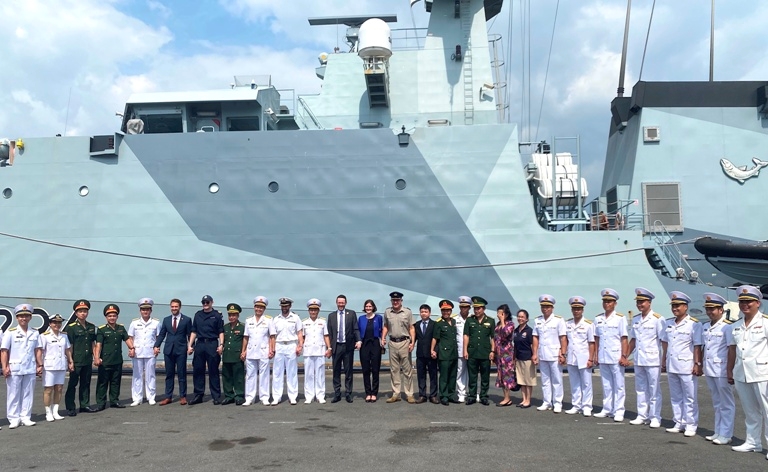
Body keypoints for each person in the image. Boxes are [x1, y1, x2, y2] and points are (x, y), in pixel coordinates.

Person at [727, 285, 768, 456]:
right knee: (750, 410)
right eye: (742, 302)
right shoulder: (735, 326)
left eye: (749, 302)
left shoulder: (765, 322)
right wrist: (729, 371)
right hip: (741, 373)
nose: (745, 305)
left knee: (767, 410)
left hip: (762, 372)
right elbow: (732, 350)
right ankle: (753, 442)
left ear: (758, 303)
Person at [661, 291, 702, 437]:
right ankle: (679, 422)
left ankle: (691, 424)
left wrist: (697, 363)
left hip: (686, 365)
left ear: (685, 307)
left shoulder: (694, 324)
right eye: (673, 305)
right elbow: (665, 343)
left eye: (678, 305)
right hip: (672, 364)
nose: (675, 308)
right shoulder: (668, 323)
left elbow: (697, 345)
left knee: (690, 397)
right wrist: (663, 359)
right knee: (676, 396)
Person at [627, 287, 665, 428]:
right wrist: (625, 355)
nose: (640, 305)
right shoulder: (636, 319)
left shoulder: (658, 319)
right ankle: (642, 415)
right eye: (638, 302)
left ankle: (655, 417)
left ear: (649, 302)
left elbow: (663, 340)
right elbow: (633, 340)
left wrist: (664, 358)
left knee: (654, 389)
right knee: (641, 388)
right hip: (639, 359)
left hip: (653, 359)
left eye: (642, 302)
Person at [1, 304, 42, 428]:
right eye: (21, 316)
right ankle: (14, 418)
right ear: (17, 318)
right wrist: (4, 366)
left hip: (30, 367)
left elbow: (38, 349)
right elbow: (4, 350)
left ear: (30, 317)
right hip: (14, 367)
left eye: (26, 316)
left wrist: (40, 365)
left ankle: (25, 416)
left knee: (28, 393)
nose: (24, 318)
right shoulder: (10, 332)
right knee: (13, 394)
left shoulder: (35, 332)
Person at [701, 292, 735, 445]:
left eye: (713, 309)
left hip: (721, 369)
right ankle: (718, 431)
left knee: (726, 403)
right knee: (716, 402)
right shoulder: (706, 326)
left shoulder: (727, 327)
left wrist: (730, 370)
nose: (709, 312)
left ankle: (726, 434)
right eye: (708, 309)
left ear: (721, 310)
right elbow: (705, 348)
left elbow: (730, 350)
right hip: (710, 369)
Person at [593, 288, 629, 422]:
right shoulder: (598, 318)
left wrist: (624, 356)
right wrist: (595, 355)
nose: (607, 304)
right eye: (605, 301)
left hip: (615, 356)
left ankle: (619, 410)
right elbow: (597, 338)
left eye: (609, 301)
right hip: (603, 355)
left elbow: (624, 338)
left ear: (615, 303)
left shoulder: (620, 318)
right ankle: (607, 408)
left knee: (619, 385)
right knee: (606, 384)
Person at [532, 295, 567, 413]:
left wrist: (563, 353)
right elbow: (536, 338)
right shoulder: (538, 320)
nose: (545, 309)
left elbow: (563, 338)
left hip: (554, 354)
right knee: (545, 380)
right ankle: (546, 402)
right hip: (543, 354)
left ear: (552, 307)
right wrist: (534, 353)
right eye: (543, 306)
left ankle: (557, 403)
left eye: (547, 306)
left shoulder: (558, 320)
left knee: (557, 380)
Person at [94, 304, 132, 411]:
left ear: (117, 317)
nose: (112, 318)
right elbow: (98, 345)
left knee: (116, 381)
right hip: (105, 361)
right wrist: (96, 357)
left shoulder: (121, 328)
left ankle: (114, 400)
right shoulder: (102, 329)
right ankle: (101, 403)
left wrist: (132, 348)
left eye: (114, 316)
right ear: (106, 317)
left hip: (117, 360)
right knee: (103, 382)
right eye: (110, 316)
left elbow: (127, 340)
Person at [154, 298, 192, 405]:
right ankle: (168, 396)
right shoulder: (166, 320)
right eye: (172, 306)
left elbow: (190, 335)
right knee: (169, 375)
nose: (174, 308)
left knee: (182, 374)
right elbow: (162, 334)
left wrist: (191, 346)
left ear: (180, 307)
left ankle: (183, 396)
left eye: (176, 306)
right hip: (169, 350)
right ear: (170, 307)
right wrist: (156, 345)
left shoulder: (187, 320)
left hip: (181, 350)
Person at [188, 295, 224, 405]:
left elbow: (220, 331)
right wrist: (190, 345)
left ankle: (216, 396)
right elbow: (194, 331)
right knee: (198, 370)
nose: (205, 304)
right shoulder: (198, 315)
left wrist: (221, 344)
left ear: (212, 302)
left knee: (213, 370)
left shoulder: (217, 315)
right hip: (200, 344)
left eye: (207, 302)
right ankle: (198, 395)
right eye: (203, 302)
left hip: (212, 344)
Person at [64, 299, 98, 416]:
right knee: (72, 384)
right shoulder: (71, 327)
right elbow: (70, 346)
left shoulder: (91, 326)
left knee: (86, 383)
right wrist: (70, 361)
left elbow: (93, 343)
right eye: (80, 311)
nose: (83, 313)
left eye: (85, 311)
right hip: (76, 360)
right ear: (76, 313)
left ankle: (84, 405)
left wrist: (96, 357)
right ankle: (70, 407)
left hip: (87, 360)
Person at [382, 291, 416, 404]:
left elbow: (411, 328)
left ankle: (409, 394)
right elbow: (386, 326)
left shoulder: (407, 312)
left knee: (407, 370)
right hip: (392, 343)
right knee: (394, 370)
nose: (395, 302)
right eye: (393, 300)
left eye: (397, 300)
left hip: (404, 343)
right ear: (391, 301)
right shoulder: (387, 312)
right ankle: (396, 393)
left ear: (401, 301)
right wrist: (383, 338)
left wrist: (412, 342)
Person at [39, 313, 74, 421]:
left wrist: (71, 361)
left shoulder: (63, 335)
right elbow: (40, 351)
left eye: (59, 323)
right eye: (54, 322)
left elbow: (67, 349)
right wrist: (39, 364)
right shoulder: (44, 336)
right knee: (48, 389)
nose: (57, 325)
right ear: (50, 324)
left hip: (61, 365)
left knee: (59, 388)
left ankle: (56, 411)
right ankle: (48, 412)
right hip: (49, 366)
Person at [564, 296, 595, 416]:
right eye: (574, 309)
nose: (576, 311)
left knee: (586, 382)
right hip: (572, 356)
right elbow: (565, 340)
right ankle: (576, 405)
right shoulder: (568, 324)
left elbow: (591, 343)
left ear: (582, 310)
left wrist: (591, 358)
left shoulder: (588, 324)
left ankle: (587, 406)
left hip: (584, 356)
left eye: (579, 309)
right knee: (574, 382)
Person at [326, 294, 360, 403]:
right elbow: (329, 333)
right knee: (336, 371)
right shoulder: (331, 316)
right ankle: (337, 393)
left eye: (342, 302)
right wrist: (329, 348)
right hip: (336, 346)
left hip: (348, 346)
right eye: (339, 302)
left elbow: (355, 329)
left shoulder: (351, 314)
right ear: (336, 303)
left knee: (348, 371)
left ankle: (348, 393)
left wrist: (358, 340)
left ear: (346, 303)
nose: (341, 304)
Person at [270, 297, 304, 405]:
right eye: (282, 306)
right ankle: (276, 397)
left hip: (291, 345)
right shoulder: (276, 319)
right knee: (277, 372)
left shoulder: (295, 318)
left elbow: (299, 333)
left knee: (292, 372)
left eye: (286, 306)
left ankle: (293, 396)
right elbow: (273, 336)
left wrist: (300, 346)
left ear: (290, 306)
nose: (284, 308)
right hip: (279, 345)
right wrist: (272, 349)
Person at [128, 298, 161, 406]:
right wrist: (131, 349)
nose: (145, 311)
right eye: (143, 310)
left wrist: (157, 347)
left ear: (151, 310)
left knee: (150, 375)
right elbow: (130, 337)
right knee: (137, 375)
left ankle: (151, 397)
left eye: (147, 309)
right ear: (140, 311)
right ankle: (137, 398)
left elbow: (158, 337)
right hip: (137, 352)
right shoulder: (134, 323)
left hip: (150, 352)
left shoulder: (156, 323)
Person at [463, 296, 495, 406]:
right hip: (472, 352)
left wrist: (492, 351)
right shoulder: (469, 320)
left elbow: (493, 337)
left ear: (484, 309)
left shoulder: (490, 321)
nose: (476, 311)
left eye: (479, 308)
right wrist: (465, 350)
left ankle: (484, 396)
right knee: (472, 376)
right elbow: (466, 335)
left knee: (485, 376)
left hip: (485, 353)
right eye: (475, 308)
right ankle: (471, 396)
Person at [241, 296, 273, 406]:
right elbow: (246, 337)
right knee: (250, 375)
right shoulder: (248, 320)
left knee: (264, 375)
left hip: (264, 351)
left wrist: (272, 350)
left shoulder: (269, 320)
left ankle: (264, 397)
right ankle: (249, 397)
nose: (258, 309)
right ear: (254, 307)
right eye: (257, 307)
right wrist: (243, 351)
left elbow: (272, 336)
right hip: (251, 351)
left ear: (264, 309)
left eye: (261, 307)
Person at [431, 300, 459, 405]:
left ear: (451, 311)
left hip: (453, 353)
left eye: (447, 310)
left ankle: (451, 395)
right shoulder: (439, 324)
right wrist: (432, 350)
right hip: (444, 353)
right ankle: (444, 396)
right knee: (444, 376)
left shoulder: (454, 322)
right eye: (443, 311)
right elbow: (435, 338)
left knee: (452, 375)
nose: (445, 312)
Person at [302, 298, 330, 404]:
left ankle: (320, 395)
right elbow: (302, 337)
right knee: (308, 374)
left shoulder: (322, 322)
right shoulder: (304, 322)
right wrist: (300, 347)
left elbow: (326, 336)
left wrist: (329, 348)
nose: (313, 312)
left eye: (315, 310)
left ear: (318, 311)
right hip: (308, 351)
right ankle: (309, 396)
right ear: (309, 311)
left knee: (320, 374)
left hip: (320, 350)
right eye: (311, 310)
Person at [358, 299, 383, 402]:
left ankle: (374, 393)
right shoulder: (361, 318)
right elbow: (358, 331)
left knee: (375, 369)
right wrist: (358, 341)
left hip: (375, 344)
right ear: (364, 308)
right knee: (366, 369)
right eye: (366, 306)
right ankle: (368, 392)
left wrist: (383, 340)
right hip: (364, 345)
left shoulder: (379, 318)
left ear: (373, 307)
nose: (368, 308)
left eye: (370, 306)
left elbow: (382, 330)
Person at [221, 303, 245, 405]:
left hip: (237, 355)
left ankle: (239, 395)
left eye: (234, 315)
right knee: (227, 377)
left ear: (238, 315)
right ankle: (229, 395)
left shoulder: (242, 327)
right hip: (227, 355)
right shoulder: (225, 327)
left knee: (238, 377)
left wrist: (244, 352)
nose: (232, 317)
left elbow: (245, 340)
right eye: (230, 315)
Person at [413, 304, 438, 404]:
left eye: (426, 312)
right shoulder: (417, 324)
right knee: (421, 375)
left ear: (429, 313)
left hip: (431, 354)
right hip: (420, 354)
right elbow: (414, 338)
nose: (424, 313)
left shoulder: (434, 324)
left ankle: (433, 395)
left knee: (433, 375)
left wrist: (435, 350)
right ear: (420, 313)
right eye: (422, 312)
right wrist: (411, 345)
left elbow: (437, 339)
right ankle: (422, 395)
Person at [493, 304, 517, 407]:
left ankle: (507, 398)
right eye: (498, 313)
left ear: (506, 314)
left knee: (507, 376)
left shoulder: (510, 324)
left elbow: (505, 334)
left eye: (501, 313)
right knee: (501, 376)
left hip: (507, 354)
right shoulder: (498, 324)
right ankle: (506, 397)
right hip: (499, 354)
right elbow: (495, 338)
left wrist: (503, 321)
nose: (498, 315)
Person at [514, 309, 535, 408]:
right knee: (521, 380)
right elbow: (515, 346)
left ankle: (528, 400)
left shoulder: (529, 331)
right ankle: (523, 399)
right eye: (519, 316)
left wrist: (534, 356)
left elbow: (533, 345)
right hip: (519, 358)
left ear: (526, 319)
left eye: (522, 317)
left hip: (528, 358)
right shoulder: (516, 330)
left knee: (528, 381)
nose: (520, 318)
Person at [454, 295, 472, 403]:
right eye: (462, 307)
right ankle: (461, 393)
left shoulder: (474, 318)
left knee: (472, 372)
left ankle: (472, 392)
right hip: (460, 349)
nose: (463, 309)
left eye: (466, 307)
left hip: (472, 350)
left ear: (469, 308)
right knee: (460, 371)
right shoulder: (455, 319)